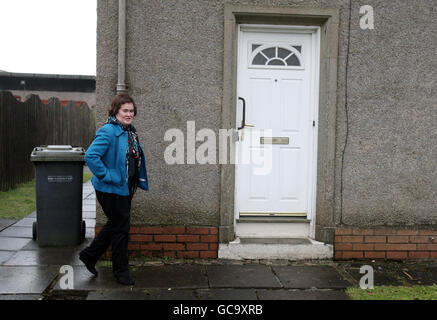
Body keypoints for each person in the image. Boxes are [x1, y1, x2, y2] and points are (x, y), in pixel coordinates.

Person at [78, 93, 148, 285]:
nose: (129, 114)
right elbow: (91, 156)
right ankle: (121, 271)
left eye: (132, 111)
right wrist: (109, 175)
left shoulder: (129, 131)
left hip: (124, 189)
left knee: (116, 224)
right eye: (125, 110)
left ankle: (89, 255)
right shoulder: (108, 131)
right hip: (110, 189)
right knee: (121, 228)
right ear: (116, 110)